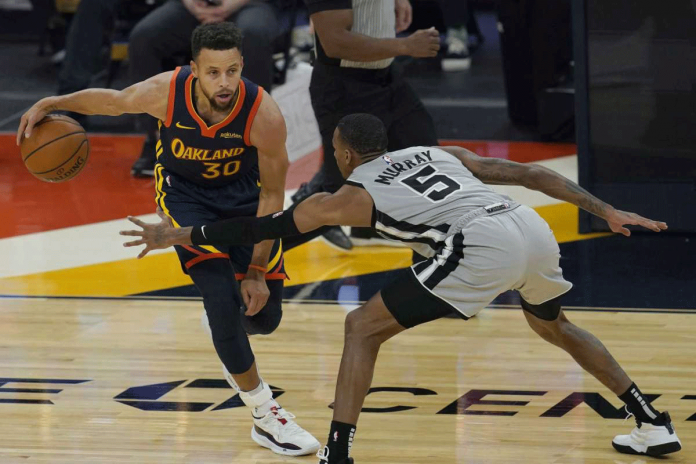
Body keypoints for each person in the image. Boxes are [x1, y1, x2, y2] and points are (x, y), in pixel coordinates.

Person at [120, 113, 682, 463]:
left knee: (360, 327)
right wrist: (604, 209)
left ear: (343, 154)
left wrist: (181, 231)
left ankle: (337, 453)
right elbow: (532, 175)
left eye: (335, 150)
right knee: (553, 325)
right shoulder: (440, 153)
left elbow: (262, 229)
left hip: (480, 242)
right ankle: (652, 423)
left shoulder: (343, 197)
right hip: (527, 226)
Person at [18, 23, 320, 456]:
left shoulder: (263, 114)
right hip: (185, 198)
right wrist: (55, 101)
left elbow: (272, 195)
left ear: (242, 67)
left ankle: (224, 326)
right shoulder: (166, 92)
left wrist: (255, 271)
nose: (224, 83)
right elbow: (115, 102)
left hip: (244, 202)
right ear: (194, 68)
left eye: (232, 71)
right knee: (220, 296)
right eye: (213, 72)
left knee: (265, 317)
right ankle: (264, 414)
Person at [294, 0, 441, 249]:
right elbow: (335, 42)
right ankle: (256, 254)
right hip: (343, 87)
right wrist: (406, 44)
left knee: (427, 156)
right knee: (338, 193)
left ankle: (368, 229)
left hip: (385, 74)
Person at [128, 0, 281, 177]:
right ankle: (157, 138)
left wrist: (227, 7)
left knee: (253, 33)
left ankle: (252, 142)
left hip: (249, 4)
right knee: (143, 37)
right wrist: (193, 4)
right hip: (194, 7)